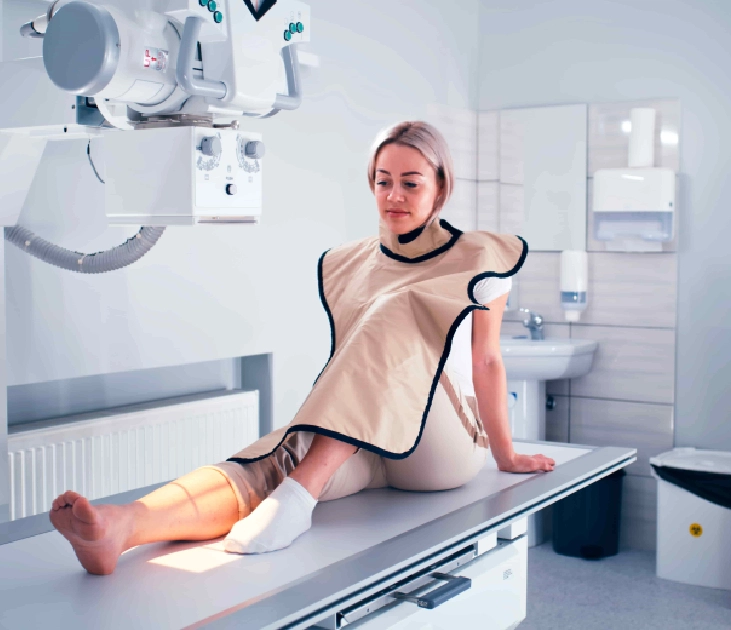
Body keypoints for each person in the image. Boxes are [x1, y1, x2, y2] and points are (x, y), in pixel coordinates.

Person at [49, 121, 556, 575]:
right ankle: (125, 527)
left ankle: (301, 492)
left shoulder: (478, 255)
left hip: (441, 448)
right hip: (372, 442)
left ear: (440, 186)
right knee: (274, 456)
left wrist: (506, 454)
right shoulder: (350, 260)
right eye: (383, 181)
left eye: (410, 182)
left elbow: (486, 359)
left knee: (393, 310)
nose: (394, 195)